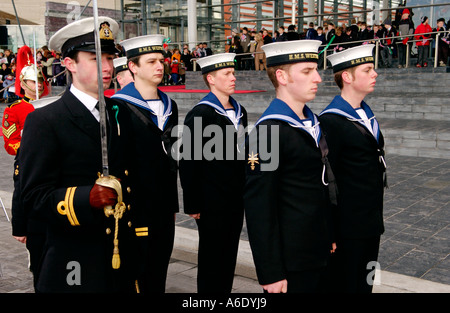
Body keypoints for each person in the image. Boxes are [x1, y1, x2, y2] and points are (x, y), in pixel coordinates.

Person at [19, 16, 138, 293]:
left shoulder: (120, 115)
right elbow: (33, 197)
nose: (107, 67)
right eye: (96, 58)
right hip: (74, 258)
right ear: (69, 63)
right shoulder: (46, 121)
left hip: (120, 252)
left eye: (110, 58)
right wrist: (85, 197)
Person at [244, 40, 336, 293]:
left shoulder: (312, 122)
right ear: (282, 76)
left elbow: (321, 185)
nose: (317, 78)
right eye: (307, 71)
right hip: (291, 263)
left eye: (316, 69)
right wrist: (270, 271)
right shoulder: (268, 132)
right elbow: (259, 208)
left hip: (318, 252)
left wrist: (329, 235)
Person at [111, 34, 179, 293]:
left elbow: (172, 159)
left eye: (161, 61)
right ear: (133, 67)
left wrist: (172, 204)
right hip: (135, 209)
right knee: (137, 275)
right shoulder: (118, 107)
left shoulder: (170, 106)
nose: (160, 66)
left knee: (159, 272)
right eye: (151, 62)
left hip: (164, 209)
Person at [319, 44, 387, 293]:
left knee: (366, 284)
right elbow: (326, 181)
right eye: (368, 69)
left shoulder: (365, 113)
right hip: (347, 230)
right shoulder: (330, 121)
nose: (375, 74)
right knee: (346, 287)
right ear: (347, 77)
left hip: (371, 224)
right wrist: (331, 232)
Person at [179, 53, 248, 293]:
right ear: (211, 78)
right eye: (227, 74)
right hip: (210, 201)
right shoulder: (201, 114)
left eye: (233, 73)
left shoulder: (240, 111)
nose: (233, 78)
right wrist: (193, 203)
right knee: (211, 258)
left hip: (234, 198)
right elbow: (189, 161)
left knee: (229, 255)